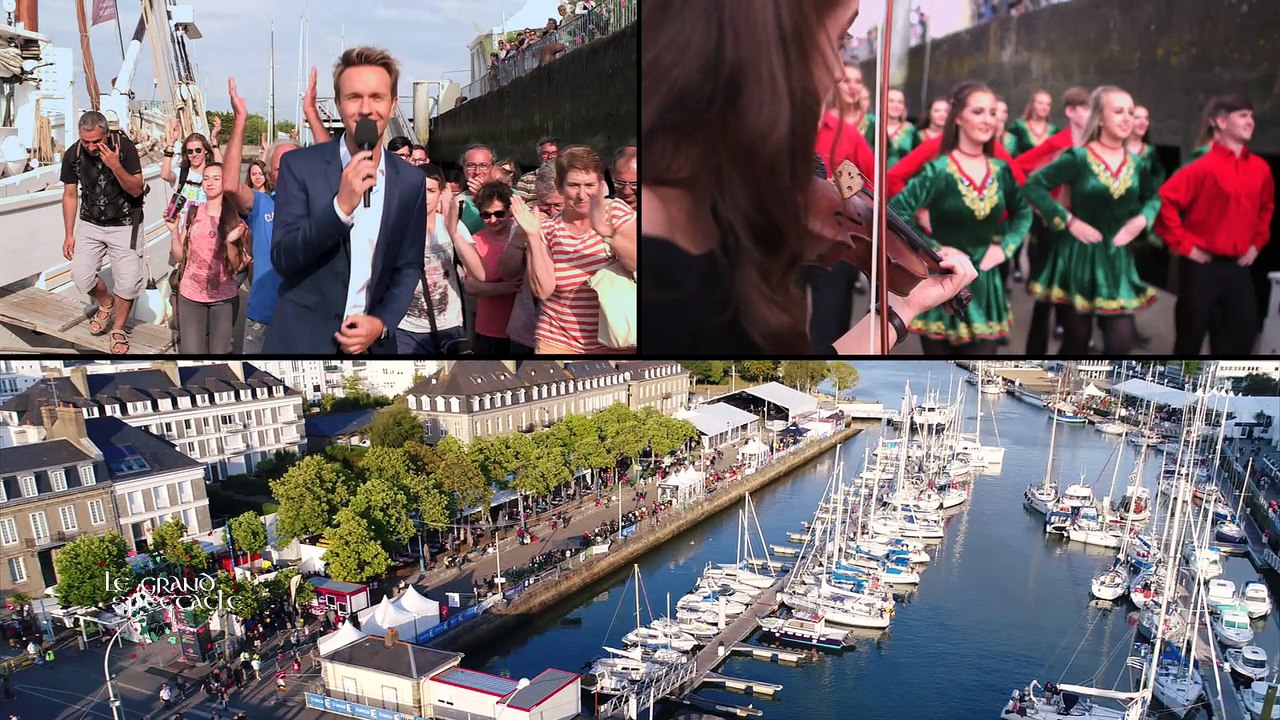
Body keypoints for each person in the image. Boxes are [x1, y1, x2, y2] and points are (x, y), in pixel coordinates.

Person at [643, 0, 980, 354]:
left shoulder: (716, 220)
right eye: (840, 39)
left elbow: (810, 370)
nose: (838, 72)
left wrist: (904, 308)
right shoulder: (674, 282)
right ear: (767, 42)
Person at [263, 46, 427, 354]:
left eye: (376, 97)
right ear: (339, 103)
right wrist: (339, 208)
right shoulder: (300, 167)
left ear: (392, 105)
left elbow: (409, 265)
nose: (366, 109)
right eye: (354, 97)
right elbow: (284, 259)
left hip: (373, 346)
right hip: (303, 344)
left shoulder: (410, 181)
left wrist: (382, 323)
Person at [887, 80, 1032, 355]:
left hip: (986, 284)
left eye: (992, 113)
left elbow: (1023, 213)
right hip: (943, 282)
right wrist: (935, 251)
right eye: (978, 112)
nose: (987, 120)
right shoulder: (938, 170)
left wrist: (1004, 248)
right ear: (958, 117)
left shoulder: (1001, 170)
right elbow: (896, 213)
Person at [1025, 86, 1161, 356]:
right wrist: (1069, 221)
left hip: (1116, 259)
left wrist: (1141, 221)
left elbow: (1153, 197)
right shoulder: (1078, 158)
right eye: (1119, 111)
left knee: (1121, 343)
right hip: (1078, 257)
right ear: (1099, 118)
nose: (1127, 118)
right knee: (1076, 342)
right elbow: (1034, 186)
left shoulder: (1137, 164)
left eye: (1130, 112)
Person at [1157, 95, 1273, 355]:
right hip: (1201, 267)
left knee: (1240, 337)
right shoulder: (1202, 166)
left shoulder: (1260, 169)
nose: (1250, 121)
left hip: (1238, 268)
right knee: (1190, 339)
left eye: (1252, 116)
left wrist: (1257, 243)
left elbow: (1266, 207)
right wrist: (1185, 247)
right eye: (1242, 115)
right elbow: (1164, 202)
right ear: (1220, 121)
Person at [223, 72, 327, 353]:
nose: (291, 171)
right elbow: (230, 185)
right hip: (263, 317)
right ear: (270, 174)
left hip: (307, 318)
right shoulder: (261, 204)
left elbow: (334, 169)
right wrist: (240, 120)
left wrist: (311, 113)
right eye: (283, 167)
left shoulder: (320, 205)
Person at [514, 146, 636, 354]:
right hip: (557, 340)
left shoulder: (616, 211)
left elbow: (636, 263)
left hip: (616, 340)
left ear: (601, 185)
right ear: (560, 187)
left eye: (589, 185)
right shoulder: (548, 228)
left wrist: (606, 233)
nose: (582, 194)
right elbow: (543, 290)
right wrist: (533, 237)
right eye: (573, 185)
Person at [1011, 85, 1093, 354]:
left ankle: (1071, 341)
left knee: (1078, 294)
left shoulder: (1096, 144)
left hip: (1082, 229)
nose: (1092, 114)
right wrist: (1040, 206)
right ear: (1070, 112)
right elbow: (1017, 167)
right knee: (1044, 295)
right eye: (1086, 109)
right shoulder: (1058, 142)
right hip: (1052, 227)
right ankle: (1035, 350)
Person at [60, 110, 146, 355]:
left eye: (96, 141)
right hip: (91, 223)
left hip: (126, 223)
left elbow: (137, 189)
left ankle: (118, 328)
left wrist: (115, 165)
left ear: (106, 135)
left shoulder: (124, 147)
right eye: (86, 141)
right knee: (81, 276)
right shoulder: (73, 154)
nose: (90, 147)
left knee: (128, 283)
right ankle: (106, 303)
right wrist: (69, 234)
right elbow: (69, 195)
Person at [396, 165, 488, 354]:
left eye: (431, 191)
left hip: (449, 324)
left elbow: (479, 273)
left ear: (441, 194)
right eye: (418, 189)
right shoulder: (395, 226)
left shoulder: (452, 225)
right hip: (406, 326)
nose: (424, 196)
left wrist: (452, 231)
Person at [166, 163, 249, 353]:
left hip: (223, 297)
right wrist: (173, 231)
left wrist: (230, 242)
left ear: (225, 183)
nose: (210, 182)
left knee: (220, 354)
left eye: (216, 178)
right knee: (191, 353)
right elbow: (179, 256)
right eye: (206, 178)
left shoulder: (235, 219)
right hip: (190, 295)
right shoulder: (193, 212)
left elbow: (237, 266)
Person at [500, 161, 559, 355]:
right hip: (526, 329)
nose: (552, 212)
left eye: (558, 205)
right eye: (546, 205)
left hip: (563, 333)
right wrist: (522, 234)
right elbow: (507, 273)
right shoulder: (527, 221)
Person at [465, 181, 523, 354]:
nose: (493, 220)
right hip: (490, 329)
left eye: (499, 213)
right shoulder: (475, 240)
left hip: (523, 327)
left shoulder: (523, 234)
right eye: (486, 215)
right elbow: (471, 286)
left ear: (510, 210)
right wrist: (506, 287)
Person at [1007, 89, 1058, 156]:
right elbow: (1009, 154)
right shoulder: (1018, 128)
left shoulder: (1054, 131)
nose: (1044, 107)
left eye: (1048, 104)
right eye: (1040, 103)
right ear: (1032, 104)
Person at [458, 144, 495, 234]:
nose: (477, 172)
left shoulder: (509, 195)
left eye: (483, 166)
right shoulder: (458, 202)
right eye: (471, 166)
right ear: (463, 168)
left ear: (492, 168)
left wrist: (484, 194)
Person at [880, 88, 921, 168]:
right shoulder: (873, 127)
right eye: (891, 101)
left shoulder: (911, 131)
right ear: (882, 103)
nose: (896, 105)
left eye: (900, 102)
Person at [610, 146, 637, 210]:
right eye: (620, 183)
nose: (626, 191)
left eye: (634, 184)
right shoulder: (603, 207)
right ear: (611, 173)